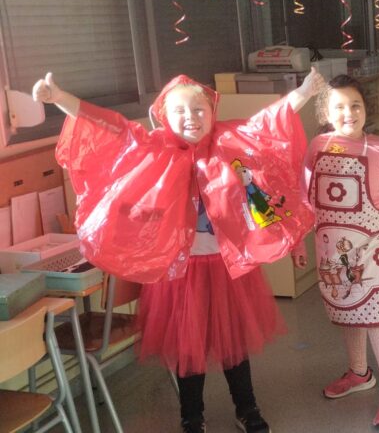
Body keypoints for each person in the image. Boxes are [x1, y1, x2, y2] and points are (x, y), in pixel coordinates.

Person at [35, 68, 324, 433]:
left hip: (226, 267)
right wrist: (60, 98)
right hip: (179, 272)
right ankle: (192, 417)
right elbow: (110, 128)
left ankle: (247, 408)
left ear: (212, 112)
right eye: (180, 111)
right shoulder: (154, 148)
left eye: (199, 109)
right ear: (164, 116)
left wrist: (304, 91)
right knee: (189, 350)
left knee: (234, 344)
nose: (191, 117)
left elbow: (267, 123)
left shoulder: (230, 141)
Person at [291, 74, 379, 429]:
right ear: (326, 113)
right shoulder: (317, 146)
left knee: (378, 317)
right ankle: (359, 373)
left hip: (371, 253)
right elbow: (303, 198)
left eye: (355, 105)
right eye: (339, 106)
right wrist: (297, 241)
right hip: (330, 250)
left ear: (365, 109)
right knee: (347, 310)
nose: (349, 113)